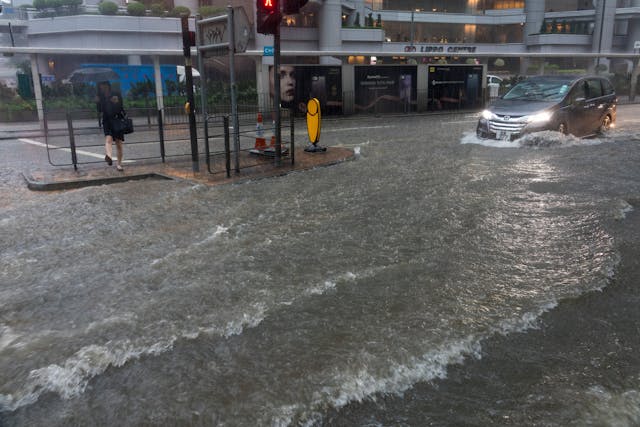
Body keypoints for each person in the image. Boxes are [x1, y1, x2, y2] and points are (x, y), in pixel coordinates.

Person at [96, 81, 125, 171]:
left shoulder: (115, 94)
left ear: (108, 86)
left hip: (117, 120)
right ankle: (109, 156)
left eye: (104, 87)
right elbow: (100, 110)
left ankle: (119, 164)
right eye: (101, 87)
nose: (102, 89)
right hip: (107, 121)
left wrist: (116, 102)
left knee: (118, 144)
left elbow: (120, 106)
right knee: (108, 139)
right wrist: (97, 102)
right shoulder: (100, 96)